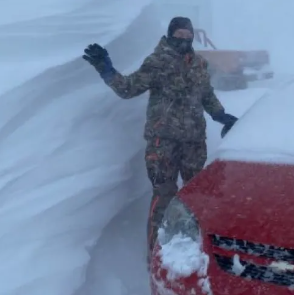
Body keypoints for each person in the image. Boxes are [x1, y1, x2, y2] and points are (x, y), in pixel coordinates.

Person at [83, 16, 238, 257]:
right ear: (170, 35)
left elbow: (206, 95)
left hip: (194, 142)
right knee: (164, 195)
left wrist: (221, 116)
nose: (184, 40)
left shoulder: (199, 64)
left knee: (195, 195)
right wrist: (106, 70)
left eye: (188, 36)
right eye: (179, 35)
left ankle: (195, 248)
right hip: (162, 142)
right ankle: (156, 253)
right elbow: (128, 88)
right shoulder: (157, 62)